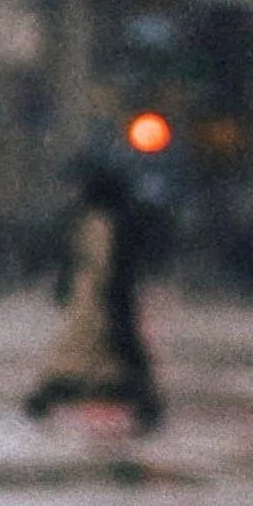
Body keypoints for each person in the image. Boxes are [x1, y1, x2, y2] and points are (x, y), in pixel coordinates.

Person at [24, 156, 164, 432]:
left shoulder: (88, 220)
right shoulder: (110, 222)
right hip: (99, 299)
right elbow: (111, 266)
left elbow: (81, 261)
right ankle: (142, 402)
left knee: (86, 353)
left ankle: (49, 397)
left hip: (90, 297)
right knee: (109, 354)